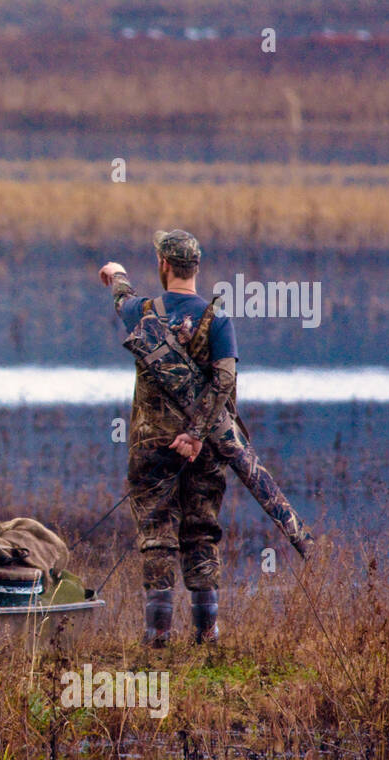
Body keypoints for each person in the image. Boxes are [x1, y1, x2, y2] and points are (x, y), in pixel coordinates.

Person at [99, 230, 239, 646]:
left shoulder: (144, 312)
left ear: (163, 265)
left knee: (157, 534)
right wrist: (197, 435)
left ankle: (157, 636)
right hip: (206, 449)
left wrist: (117, 272)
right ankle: (206, 635)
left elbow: (122, 298)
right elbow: (226, 380)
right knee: (201, 530)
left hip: (152, 445)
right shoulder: (218, 320)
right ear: (196, 268)